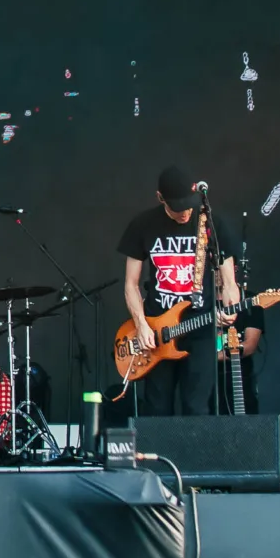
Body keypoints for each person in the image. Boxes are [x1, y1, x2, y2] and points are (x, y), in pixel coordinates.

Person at [118, 166, 240, 418]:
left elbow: (229, 283)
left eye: (188, 206)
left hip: (200, 328)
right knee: (157, 407)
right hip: (157, 330)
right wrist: (141, 325)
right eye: (177, 207)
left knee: (196, 406)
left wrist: (229, 311)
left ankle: (195, 458)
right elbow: (131, 283)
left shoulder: (212, 225)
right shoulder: (143, 225)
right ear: (160, 197)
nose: (185, 213)